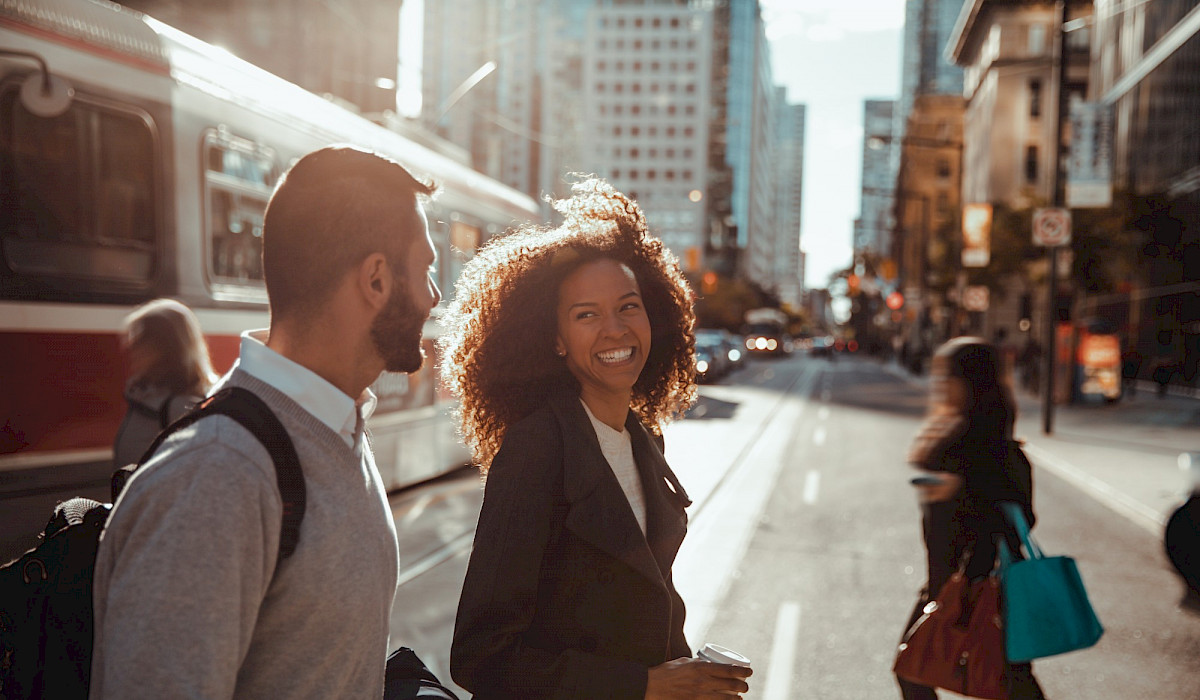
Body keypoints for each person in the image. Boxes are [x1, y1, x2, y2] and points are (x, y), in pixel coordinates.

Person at [90, 145, 441, 699]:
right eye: (426, 270)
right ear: (376, 279)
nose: (434, 296)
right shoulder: (217, 477)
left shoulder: (338, 430)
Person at [441, 179, 752, 698]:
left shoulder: (645, 437)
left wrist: (690, 680)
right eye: (587, 315)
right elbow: (482, 658)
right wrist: (645, 686)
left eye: (629, 306)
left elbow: (651, 608)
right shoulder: (536, 448)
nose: (615, 329)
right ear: (556, 340)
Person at [899, 337, 1047, 700]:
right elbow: (1024, 518)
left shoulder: (962, 447)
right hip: (991, 584)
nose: (938, 383)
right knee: (1011, 680)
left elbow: (960, 527)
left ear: (967, 383)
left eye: (945, 375)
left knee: (914, 670)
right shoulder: (1003, 448)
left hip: (969, 585)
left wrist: (954, 497)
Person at [112, 298, 216, 466]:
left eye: (141, 339)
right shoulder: (141, 394)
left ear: (166, 347)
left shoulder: (181, 406)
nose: (131, 347)